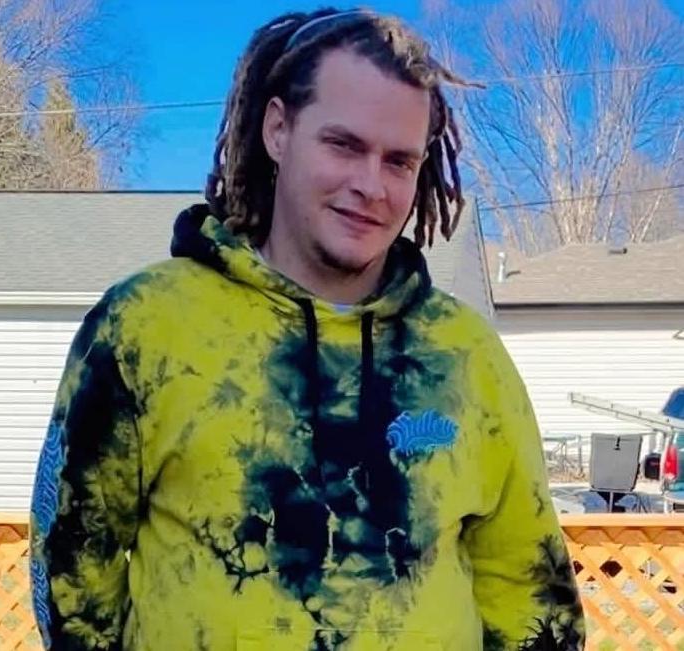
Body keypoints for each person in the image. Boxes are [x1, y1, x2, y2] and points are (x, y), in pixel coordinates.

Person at [29, 8, 584, 650]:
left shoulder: (464, 353)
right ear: (278, 129)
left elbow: (528, 587)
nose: (370, 185)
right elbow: (71, 575)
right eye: (343, 145)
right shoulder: (144, 327)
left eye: (399, 161)